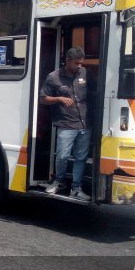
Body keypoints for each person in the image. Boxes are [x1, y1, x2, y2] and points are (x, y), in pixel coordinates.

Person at [40, 46, 91, 201]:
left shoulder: (83, 73)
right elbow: (43, 99)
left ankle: (76, 188)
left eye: (81, 63)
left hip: (84, 124)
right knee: (62, 155)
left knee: (81, 158)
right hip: (66, 124)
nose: (79, 66)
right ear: (67, 61)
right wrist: (59, 99)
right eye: (76, 63)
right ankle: (59, 181)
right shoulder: (54, 77)